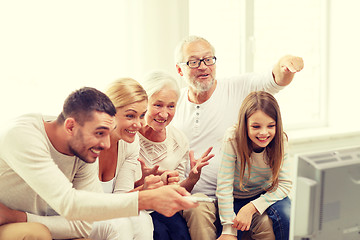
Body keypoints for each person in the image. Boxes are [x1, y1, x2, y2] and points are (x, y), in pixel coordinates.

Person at [0, 87, 198, 239]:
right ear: (71, 126)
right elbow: (68, 203)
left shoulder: (83, 152)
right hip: (9, 225)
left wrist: (16, 216)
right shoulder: (22, 136)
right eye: (100, 133)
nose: (105, 144)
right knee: (36, 233)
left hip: (18, 216)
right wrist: (148, 198)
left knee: (117, 225)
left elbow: (84, 222)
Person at [171, 35, 303, 240]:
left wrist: (285, 65)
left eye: (208, 59)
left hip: (240, 194)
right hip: (198, 196)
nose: (203, 66)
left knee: (273, 221)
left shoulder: (236, 87)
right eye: (194, 61)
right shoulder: (174, 102)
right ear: (180, 69)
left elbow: (274, 80)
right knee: (196, 208)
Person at [138, 70, 214, 240]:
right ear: (144, 102)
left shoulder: (179, 140)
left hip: (163, 207)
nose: (164, 114)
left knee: (181, 234)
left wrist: (192, 178)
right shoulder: (130, 134)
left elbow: (178, 191)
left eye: (171, 106)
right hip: (137, 206)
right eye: (158, 105)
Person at [89, 78, 159, 240]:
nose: (138, 124)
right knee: (120, 224)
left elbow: (122, 195)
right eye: (130, 116)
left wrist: (146, 190)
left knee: (142, 218)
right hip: (78, 213)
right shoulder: (87, 142)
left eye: (142, 115)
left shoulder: (131, 143)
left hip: (104, 212)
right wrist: (141, 192)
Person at [216, 91, 292, 240]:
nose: (264, 133)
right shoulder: (232, 139)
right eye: (256, 126)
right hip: (237, 197)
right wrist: (228, 228)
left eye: (271, 126)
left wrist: (252, 207)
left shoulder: (281, 139)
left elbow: (284, 184)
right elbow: (224, 185)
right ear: (245, 125)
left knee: (287, 216)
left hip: (267, 193)